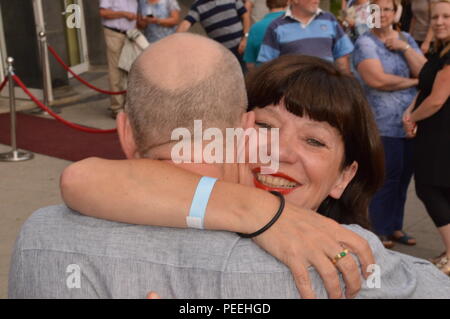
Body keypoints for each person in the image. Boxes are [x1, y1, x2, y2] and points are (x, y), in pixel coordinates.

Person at [57, 49, 450, 298]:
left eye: (314, 141)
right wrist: (258, 211)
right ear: (236, 131)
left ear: (343, 177)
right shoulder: (172, 219)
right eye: (265, 127)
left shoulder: (358, 260)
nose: (279, 152)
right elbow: (83, 179)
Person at [352, 0, 426, 248]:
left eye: (387, 9)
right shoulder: (365, 42)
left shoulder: (405, 37)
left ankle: (395, 226)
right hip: (381, 123)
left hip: (410, 123)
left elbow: (425, 71)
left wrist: (404, 48)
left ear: (396, 13)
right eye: (375, 9)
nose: (381, 14)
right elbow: (377, 80)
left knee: (404, 177)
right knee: (385, 178)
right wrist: (414, 82)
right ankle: (377, 229)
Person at [403, 0, 450, 276]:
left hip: (440, 132)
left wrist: (412, 118)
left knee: (428, 188)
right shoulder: (438, 50)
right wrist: (412, 110)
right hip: (434, 130)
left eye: (446, 17)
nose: (440, 21)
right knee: (442, 189)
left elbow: (437, 100)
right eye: (436, 17)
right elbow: (425, 91)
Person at [257, 0, 354, 74]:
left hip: (327, 93)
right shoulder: (276, 27)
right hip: (292, 95)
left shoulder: (329, 20)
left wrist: (344, 89)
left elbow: (342, 58)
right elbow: (267, 66)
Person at [176, 0, 251, 72]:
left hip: (242, 48)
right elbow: (185, 24)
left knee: (248, 78)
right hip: (223, 56)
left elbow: (245, 16)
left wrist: (245, 38)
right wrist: (175, 40)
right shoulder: (197, 6)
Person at [99, 0, 138, 119]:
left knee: (130, 70)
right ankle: (117, 108)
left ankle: (129, 106)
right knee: (115, 71)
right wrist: (124, 14)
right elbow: (103, 13)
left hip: (130, 34)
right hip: (114, 34)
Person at [243, 0, 287, 69]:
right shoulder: (295, 24)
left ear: (267, 4)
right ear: (288, 3)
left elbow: (250, 63)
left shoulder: (255, 28)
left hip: (264, 75)